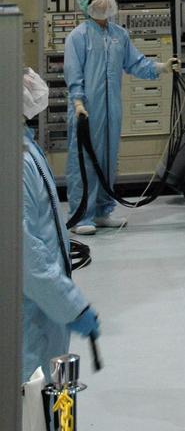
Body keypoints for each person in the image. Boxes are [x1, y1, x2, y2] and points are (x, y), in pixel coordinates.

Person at [64, 0, 179, 235]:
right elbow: (74, 73)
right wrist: (78, 102)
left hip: (112, 110)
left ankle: (103, 211)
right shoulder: (78, 37)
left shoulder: (119, 35)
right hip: (86, 109)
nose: (102, 0)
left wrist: (162, 67)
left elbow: (135, 63)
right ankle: (80, 215)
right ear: (86, 5)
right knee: (84, 161)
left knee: (107, 159)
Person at [21, 68, 100, 384]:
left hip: (42, 306)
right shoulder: (14, 161)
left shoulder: (24, 148)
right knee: (32, 401)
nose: (31, 79)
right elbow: (27, 258)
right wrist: (71, 306)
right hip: (30, 313)